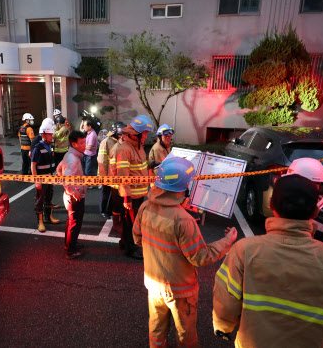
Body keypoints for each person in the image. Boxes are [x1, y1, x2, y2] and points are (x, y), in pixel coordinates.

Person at [212, 174, 323, 348]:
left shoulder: (244, 250)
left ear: (271, 205)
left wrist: (224, 327)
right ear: (315, 212)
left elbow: (225, 304)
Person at [134, 157, 238, 348]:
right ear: (184, 187)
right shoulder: (183, 220)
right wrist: (227, 241)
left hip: (154, 284)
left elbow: (137, 239)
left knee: (156, 331)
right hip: (180, 290)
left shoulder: (145, 207)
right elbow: (201, 257)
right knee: (185, 335)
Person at [112, 114, 153, 259]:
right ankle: (130, 250)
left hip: (139, 194)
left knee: (130, 222)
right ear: (137, 134)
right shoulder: (124, 149)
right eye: (145, 133)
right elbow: (123, 177)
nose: (146, 137)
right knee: (130, 224)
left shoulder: (138, 146)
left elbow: (140, 167)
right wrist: (127, 198)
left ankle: (124, 244)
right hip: (130, 195)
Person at [56, 130, 88, 260]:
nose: (84, 145)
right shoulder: (74, 159)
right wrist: (74, 191)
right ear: (74, 144)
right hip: (74, 197)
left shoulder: (68, 155)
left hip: (70, 195)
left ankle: (69, 244)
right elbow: (65, 178)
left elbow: (59, 170)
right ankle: (71, 250)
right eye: (81, 143)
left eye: (85, 142)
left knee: (71, 221)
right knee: (75, 223)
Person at [31, 117, 60, 232]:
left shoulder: (49, 146)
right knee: (40, 200)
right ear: (43, 134)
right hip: (42, 179)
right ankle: (40, 222)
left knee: (49, 198)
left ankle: (49, 217)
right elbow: (33, 166)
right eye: (50, 134)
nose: (52, 136)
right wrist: (36, 181)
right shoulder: (38, 148)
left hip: (50, 178)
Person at [98, 121, 125, 224]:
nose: (121, 136)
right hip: (106, 173)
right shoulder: (106, 142)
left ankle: (109, 210)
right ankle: (103, 210)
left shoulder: (118, 141)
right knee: (106, 192)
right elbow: (102, 160)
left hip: (115, 173)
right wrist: (103, 176)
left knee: (113, 194)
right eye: (120, 134)